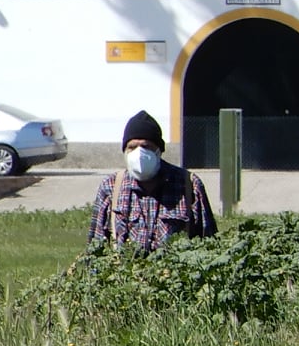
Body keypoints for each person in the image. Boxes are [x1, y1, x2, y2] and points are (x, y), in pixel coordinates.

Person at [89, 108, 217, 251]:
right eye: (132, 147)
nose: (139, 153)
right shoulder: (111, 187)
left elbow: (210, 244)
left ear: (158, 150)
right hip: (126, 272)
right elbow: (95, 247)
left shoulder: (189, 185)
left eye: (146, 146)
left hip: (173, 271)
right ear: (125, 151)